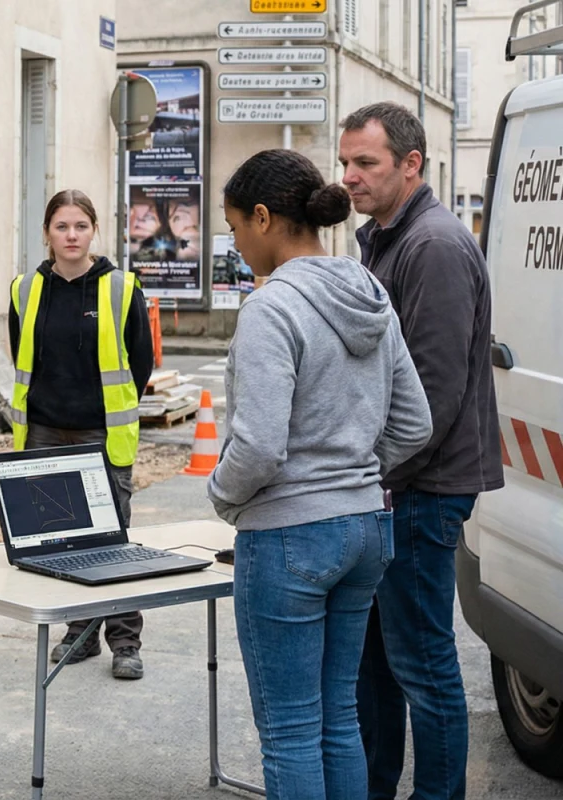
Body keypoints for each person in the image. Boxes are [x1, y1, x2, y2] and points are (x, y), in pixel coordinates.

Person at [211, 148, 432, 800]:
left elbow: (258, 448)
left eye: (235, 228)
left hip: (290, 539)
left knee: (289, 732)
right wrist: (353, 474)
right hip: (364, 527)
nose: (236, 244)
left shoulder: (271, 308)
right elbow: (414, 423)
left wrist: (220, 494)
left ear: (262, 218)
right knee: (338, 718)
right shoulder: (369, 293)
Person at [339, 101, 504, 800]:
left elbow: (431, 397)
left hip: (418, 489)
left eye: (365, 162)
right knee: (376, 665)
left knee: (423, 667)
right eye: (345, 162)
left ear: (411, 164)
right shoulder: (386, 237)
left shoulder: (432, 245)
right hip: (396, 487)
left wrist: (369, 475)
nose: (349, 176)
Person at [7, 189, 154, 680]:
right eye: (62, 227)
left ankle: (125, 641)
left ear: (94, 231)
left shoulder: (121, 288)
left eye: (81, 226)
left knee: (113, 542)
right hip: (44, 433)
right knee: (61, 541)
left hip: (101, 432)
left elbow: (140, 362)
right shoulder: (25, 289)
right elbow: (21, 354)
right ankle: (80, 632)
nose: (71, 236)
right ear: (46, 233)